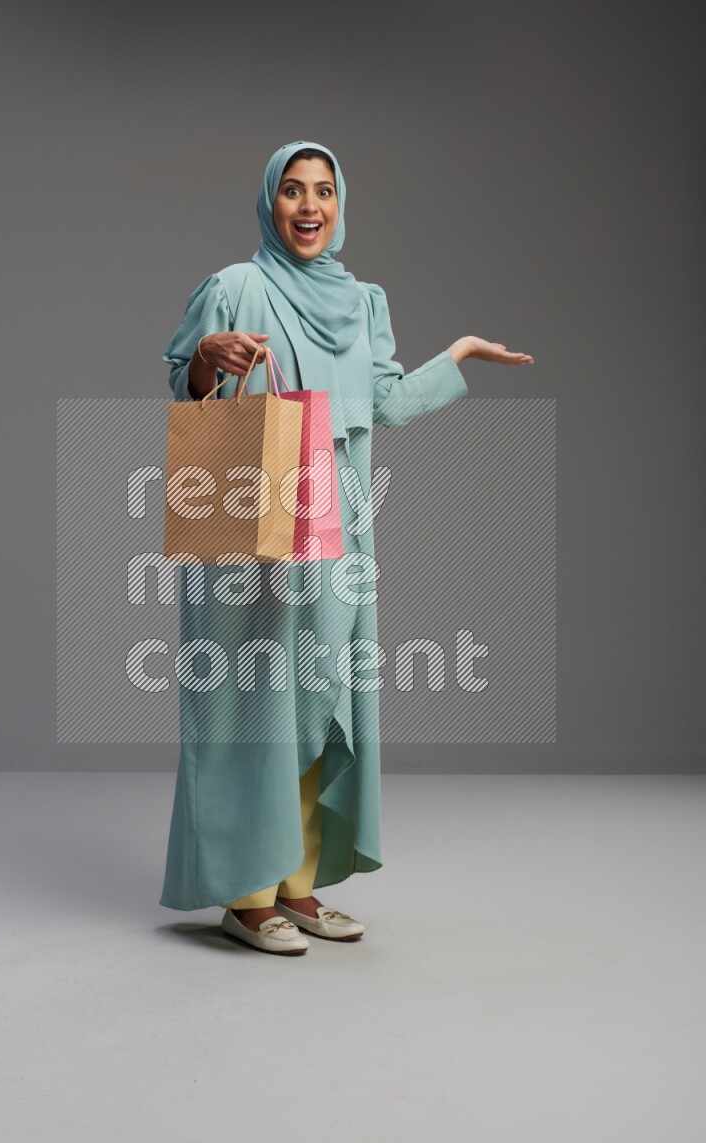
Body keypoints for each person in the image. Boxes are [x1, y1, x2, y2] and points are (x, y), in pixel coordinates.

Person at [158, 140, 533, 955]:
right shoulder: (235, 286)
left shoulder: (364, 302)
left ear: (340, 203)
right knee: (251, 703)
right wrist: (203, 365)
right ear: (269, 201)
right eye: (292, 190)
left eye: (323, 191)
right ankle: (245, 893)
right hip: (251, 536)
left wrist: (457, 357)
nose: (308, 206)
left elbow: (387, 401)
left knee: (319, 693)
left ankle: (294, 884)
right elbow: (185, 392)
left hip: (339, 530)